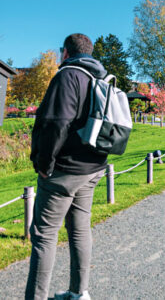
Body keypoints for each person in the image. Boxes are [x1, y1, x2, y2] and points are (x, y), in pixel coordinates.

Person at [26, 33, 108, 300]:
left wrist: (44, 165)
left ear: (65, 52)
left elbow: (55, 123)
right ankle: (79, 292)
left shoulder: (68, 76)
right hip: (92, 167)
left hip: (64, 172)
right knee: (80, 228)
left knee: (43, 236)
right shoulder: (99, 78)